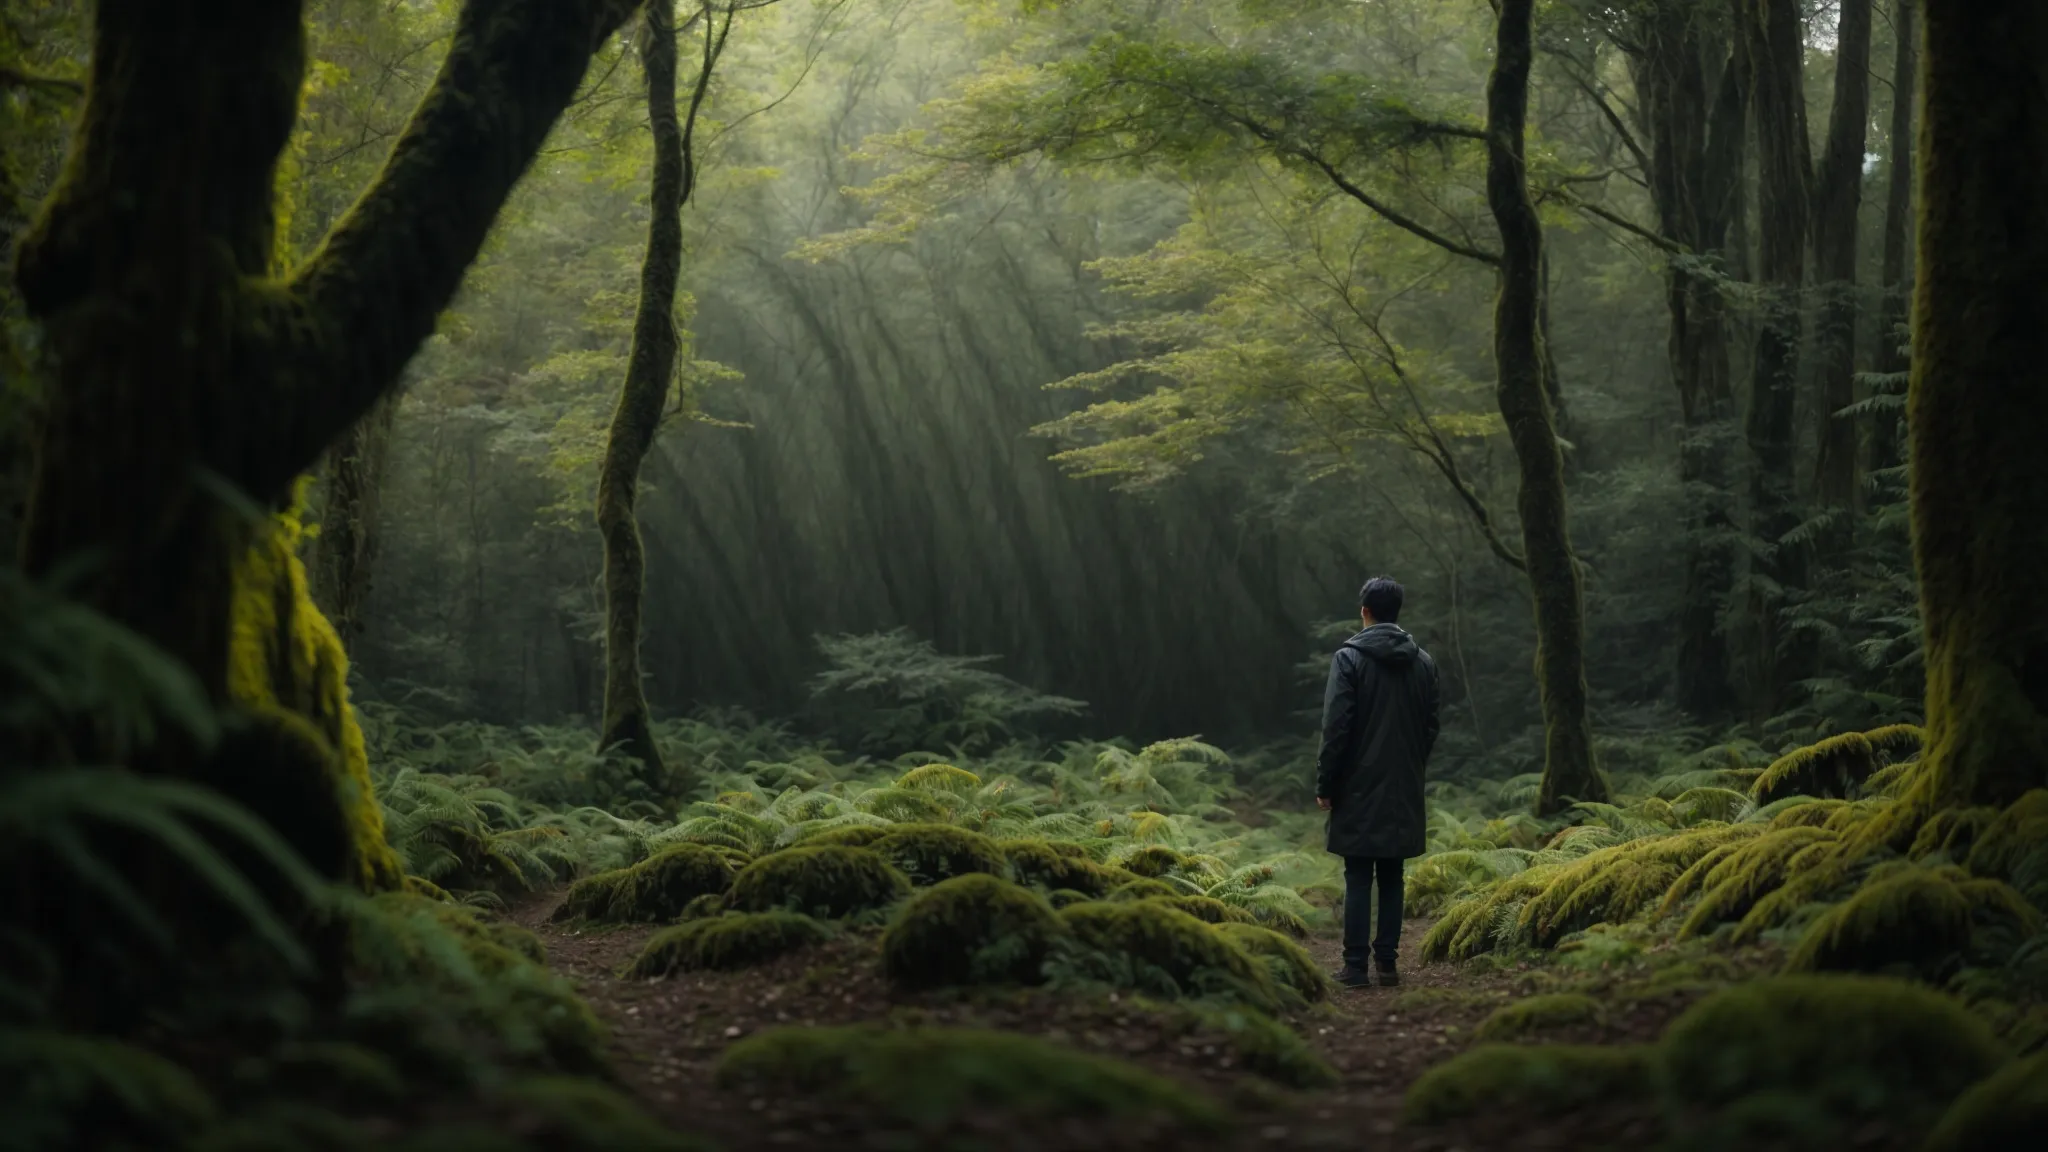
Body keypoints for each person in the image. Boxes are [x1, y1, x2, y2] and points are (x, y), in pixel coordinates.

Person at [1314, 576, 1440, 988]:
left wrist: (1326, 783)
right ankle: (1386, 964)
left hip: (1356, 785)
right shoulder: (1423, 662)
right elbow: (1431, 726)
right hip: (1404, 783)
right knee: (1392, 874)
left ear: (1365, 611)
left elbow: (1337, 727)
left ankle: (1354, 968)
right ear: (1396, 611)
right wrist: (1411, 766)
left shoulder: (1348, 659)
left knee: (1357, 874)